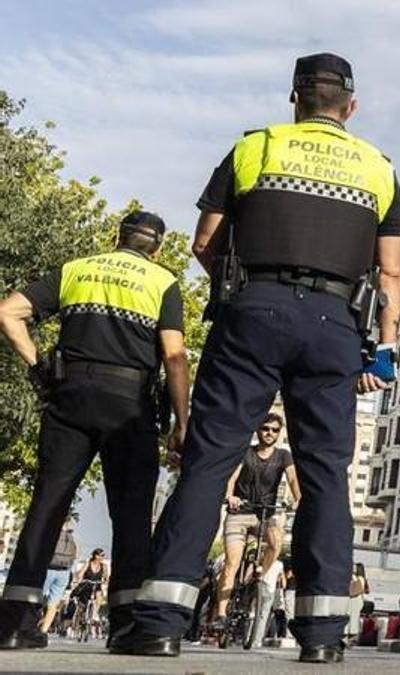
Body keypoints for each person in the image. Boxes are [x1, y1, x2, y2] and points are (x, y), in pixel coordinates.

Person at [117, 53, 400, 663]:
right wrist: (382, 350)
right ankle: (322, 635)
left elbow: (204, 242)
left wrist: (243, 289)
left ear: (295, 99)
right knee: (325, 471)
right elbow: (389, 274)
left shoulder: (256, 147)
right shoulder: (379, 168)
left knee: (210, 458)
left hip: (253, 309)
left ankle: (161, 622)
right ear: (351, 108)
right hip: (335, 323)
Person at [0, 211, 190, 649]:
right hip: (130, 405)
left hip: (71, 396)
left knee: (48, 502)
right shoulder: (162, 282)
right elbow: (174, 357)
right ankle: (125, 626)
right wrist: (182, 422)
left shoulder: (76, 270)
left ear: (114, 236)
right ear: (158, 248)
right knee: (131, 513)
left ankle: (14, 622)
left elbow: (9, 313)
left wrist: (40, 369)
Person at [212, 413, 300, 627]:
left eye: (274, 430)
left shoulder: (283, 456)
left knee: (276, 542)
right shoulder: (246, 452)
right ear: (258, 430)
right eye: (265, 428)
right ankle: (221, 614)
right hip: (239, 513)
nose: (269, 433)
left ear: (279, 433)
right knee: (232, 563)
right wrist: (230, 496)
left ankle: (259, 575)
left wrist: (298, 499)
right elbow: (232, 477)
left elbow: (292, 479)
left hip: (265, 514)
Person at [37, 527, 77, 636]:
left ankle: (31, 624)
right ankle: (43, 631)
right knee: (53, 604)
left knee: (37, 598)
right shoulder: (71, 538)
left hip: (48, 569)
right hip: (64, 572)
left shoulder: (51, 533)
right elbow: (75, 555)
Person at [70, 549, 110, 637]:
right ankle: (77, 622)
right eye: (101, 555)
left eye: (103, 556)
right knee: (81, 606)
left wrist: (106, 581)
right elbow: (80, 573)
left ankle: (94, 613)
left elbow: (106, 576)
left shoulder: (104, 566)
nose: (102, 557)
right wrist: (79, 578)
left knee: (99, 595)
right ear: (95, 556)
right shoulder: (88, 563)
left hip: (96, 585)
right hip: (86, 585)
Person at [346, 563, 369, 643]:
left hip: (354, 599)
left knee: (352, 617)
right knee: (353, 617)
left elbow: (357, 588)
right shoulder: (360, 578)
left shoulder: (358, 578)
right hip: (356, 600)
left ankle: (350, 635)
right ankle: (351, 635)